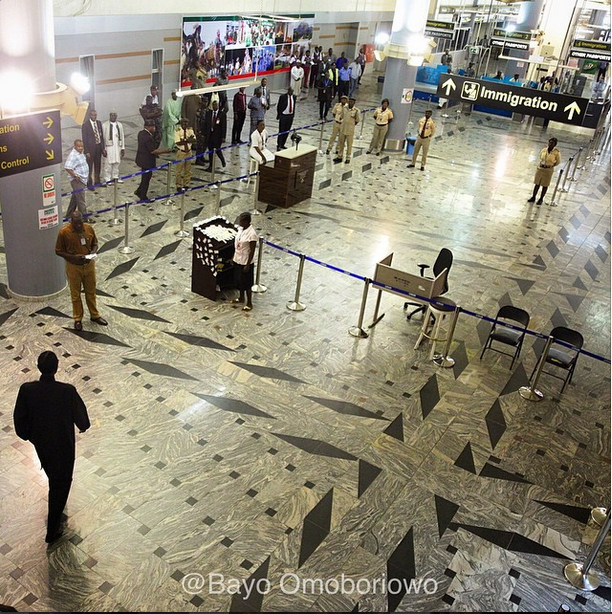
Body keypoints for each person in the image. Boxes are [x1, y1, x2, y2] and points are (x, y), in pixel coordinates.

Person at [13, 351, 90, 544]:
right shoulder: (67, 391)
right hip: (64, 447)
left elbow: (19, 422)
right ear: (57, 367)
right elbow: (84, 421)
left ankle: (56, 512)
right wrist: (82, 426)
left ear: (39, 367)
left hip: (42, 446)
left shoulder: (27, 390)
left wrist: (32, 436)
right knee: (61, 484)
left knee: (53, 476)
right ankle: (53, 530)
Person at [55, 211, 108, 330]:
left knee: (91, 291)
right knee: (75, 294)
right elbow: (58, 251)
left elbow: (95, 243)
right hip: (73, 267)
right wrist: (73, 257)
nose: (79, 226)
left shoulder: (88, 229)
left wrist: (93, 253)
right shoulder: (64, 232)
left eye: (80, 223)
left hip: (89, 265)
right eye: (76, 223)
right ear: (71, 222)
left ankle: (94, 315)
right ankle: (77, 318)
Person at [134, 120, 170, 201]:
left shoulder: (141, 133)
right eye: (153, 127)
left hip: (141, 159)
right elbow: (153, 151)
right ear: (148, 127)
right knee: (146, 179)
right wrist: (165, 151)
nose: (154, 129)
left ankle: (139, 191)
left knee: (145, 177)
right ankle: (143, 196)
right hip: (147, 161)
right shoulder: (148, 137)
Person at [232, 212, 258, 311]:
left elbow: (252, 251)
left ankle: (249, 303)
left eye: (241, 220)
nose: (239, 222)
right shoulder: (241, 229)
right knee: (239, 281)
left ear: (246, 221)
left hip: (246, 262)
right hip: (238, 259)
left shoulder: (252, 234)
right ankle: (241, 298)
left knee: (247, 283)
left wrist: (247, 264)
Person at [528, 137, 561, 205]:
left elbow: (558, 161)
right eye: (550, 142)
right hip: (540, 168)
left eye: (552, 143)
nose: (550, 144)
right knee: (537, 183)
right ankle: (533, 196)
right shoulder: (544, 150)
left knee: (545, 184)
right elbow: (541, 157)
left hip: (548, 170)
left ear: (555, 145)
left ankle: (541, 198)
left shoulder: (556, 152)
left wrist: (551, 165)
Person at [64, 139, 89, 218]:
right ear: (75, 146)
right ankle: (85, 217)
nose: (81, 148)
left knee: (75, 197)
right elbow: (67, 167)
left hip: (83, 178)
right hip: (78, 181)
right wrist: (75, 176)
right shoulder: (73, 155)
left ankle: (69, 215)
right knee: (81, 200)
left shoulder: (80, 153)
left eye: (82, 146)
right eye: (79, 146)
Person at [81, 108, 105, 190]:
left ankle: (97, 181)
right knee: (90, 167)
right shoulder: (85, 125)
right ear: (89, 115)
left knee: (98, 165)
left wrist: (103, 148)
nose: (94, 116)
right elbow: (84, 139)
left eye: (95, 115)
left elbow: (101, 136)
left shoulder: (98, 123)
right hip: (90, 149)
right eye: (92, 115)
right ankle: (89, 183)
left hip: (98, 147)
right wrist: (86, 151)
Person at [202, 100, 227, 171]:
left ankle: (222, 159)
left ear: (218, 106)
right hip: (210, 135)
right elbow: (206, 124)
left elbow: (224, 126)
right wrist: (204, 133)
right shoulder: (209, 113)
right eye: (213, 105)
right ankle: (211, 166)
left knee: (217, 149)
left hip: (217, 136)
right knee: (210, 151)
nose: (215, 106)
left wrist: (223, 137)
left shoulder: (222, 114)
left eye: (216, 105)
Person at [102, 110, 125, 185]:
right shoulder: (105, 125)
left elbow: (122, 136)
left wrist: (123, 148)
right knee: (108, 163)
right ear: (109, 116)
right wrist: (103, 149)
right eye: (111, 115)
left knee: (117, 162)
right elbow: (103, 138)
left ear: (116, 116)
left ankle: (115, 177)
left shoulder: (120, 125)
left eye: (114, 115)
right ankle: (107, 178)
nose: (113, 116)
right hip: (109, 147)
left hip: (117, 146)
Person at [335, 97, 361, 164]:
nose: (351, 103)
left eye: (352, 102)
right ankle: (340, 156)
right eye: (350, 101)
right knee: (341, 143)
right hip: (343, 128)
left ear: (354, 103)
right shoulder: (344, 108)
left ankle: (348, 157)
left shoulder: (356, 111)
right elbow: (342, 117)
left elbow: (357, 120)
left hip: (350, 130)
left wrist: (352, 125)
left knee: (349, 144)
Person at [174, 117, 196, 192]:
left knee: (188, 170)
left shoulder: (190, 130)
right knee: (179, 171)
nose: (185, 125)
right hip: (181, 152)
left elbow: (194, 140)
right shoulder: (177, 131)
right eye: (183, 123)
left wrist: (184, 140)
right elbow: (178, 142)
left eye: (186, 123)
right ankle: (178, 185)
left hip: (189, 152)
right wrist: (187, 140)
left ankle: (186, 184)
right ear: (181, 123)